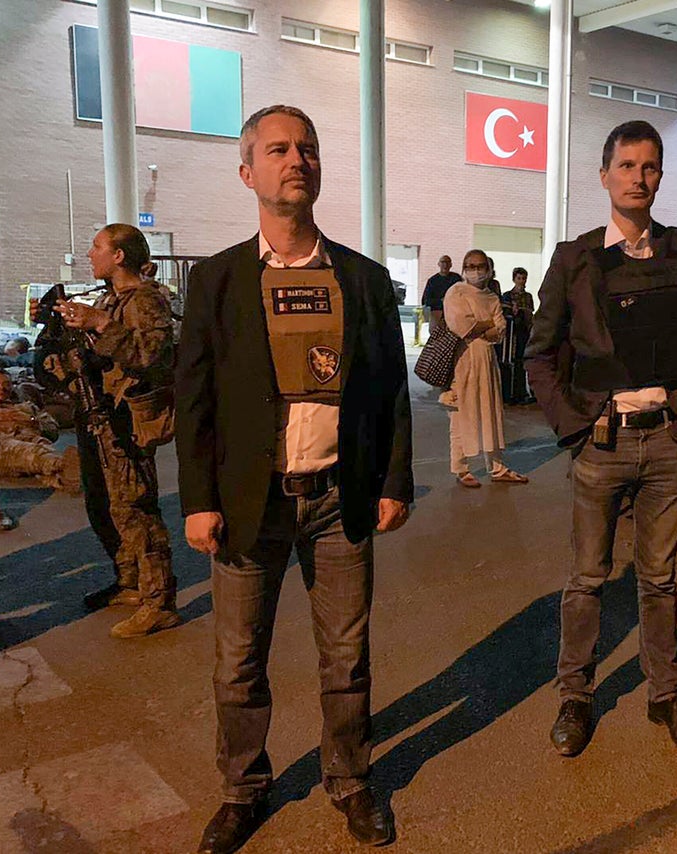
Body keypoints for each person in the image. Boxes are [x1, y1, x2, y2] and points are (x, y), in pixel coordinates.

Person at [176, 105, 413, 852]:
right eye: (278, 149)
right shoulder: (216, 281)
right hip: (250, 503)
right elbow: (196, 400)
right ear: (249, 173)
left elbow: (391, 391)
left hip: (339, 499)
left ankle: (349, 781)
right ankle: (244, 790)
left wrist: (394, 480)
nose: (296, 159)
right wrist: (199, 501)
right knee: (238, 660)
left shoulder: (364, 280)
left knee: (345, 656)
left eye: (307, 147)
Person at [527, 120, 677, 760]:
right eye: (626, 166)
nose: (638, 178)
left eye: (649, 167)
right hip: (602, 444)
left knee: (660, 580)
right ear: (604, 174)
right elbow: (538, 354)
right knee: (587, 580)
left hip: (668, 444)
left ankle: (665, 696)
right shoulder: (575, 257)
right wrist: (575, 428)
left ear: (660, 176)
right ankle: (575, 696)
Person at [33, 224, 179, 638]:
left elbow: (152, 355)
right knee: (112, 505)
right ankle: (131, 581)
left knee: (137, 508)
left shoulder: (146, 299)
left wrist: (100, 322)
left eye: (98, 247)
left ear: (119, 256)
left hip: (129, 417)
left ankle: (159, 601)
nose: (90, 254)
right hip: (102, 414)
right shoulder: (112, 300)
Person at [442, 250, 529, 488]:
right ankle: (460, 468)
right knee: (461, 415)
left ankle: (497, 466)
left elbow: (499, 331)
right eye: (470, 265)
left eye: (480, 266)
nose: (476, 270)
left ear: (489, 269)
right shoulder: (456, 292)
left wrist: (483, 325)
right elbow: (463, 326)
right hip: (462, 361)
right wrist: (486, 324)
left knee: (491, 412)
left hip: (487, 361)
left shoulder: (491, 296)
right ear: (463, 267)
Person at [0, 370, 81, 491]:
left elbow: (53, 431)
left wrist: (31, 420)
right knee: (29, 453)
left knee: (47, 466)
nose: (2, 388)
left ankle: (64, 478)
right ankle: (64, 463)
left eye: (7, 384)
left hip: (34, 441)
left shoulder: (27, 407)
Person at [500, 266, 535, 403]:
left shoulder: (528, 297)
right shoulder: (507, 295)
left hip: (523, 332)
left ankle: (520, 392)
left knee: (521, 362)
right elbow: (504, 312)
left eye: (523, 278)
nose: (521, 281)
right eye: (519, 278)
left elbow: (529, 312)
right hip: (511, 334)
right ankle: (508, 392)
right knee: (509, 362)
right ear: (514, 279)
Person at [421, 255, 460, 334]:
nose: (445, 265)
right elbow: (426, 300)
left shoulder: (456, 279)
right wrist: (441, 301)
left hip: (454, 315)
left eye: (447, 262)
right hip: (437, 315)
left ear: (451, 265)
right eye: (443, 262)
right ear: (438, 264)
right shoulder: (432, 280)